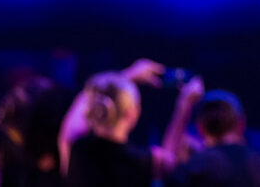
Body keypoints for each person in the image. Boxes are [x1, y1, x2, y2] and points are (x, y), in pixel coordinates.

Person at [62, 60, 204, 187]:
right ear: (132, 114)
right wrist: (184, 105)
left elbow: (82, 105)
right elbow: (170, 160)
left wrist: (126, 74)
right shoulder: (143, 162)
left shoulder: (78, 150)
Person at [166, 90, 260, 187]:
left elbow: (164, 165)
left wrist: (184, 104)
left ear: (201, 128)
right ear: (241, 124)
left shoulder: (196, 168)